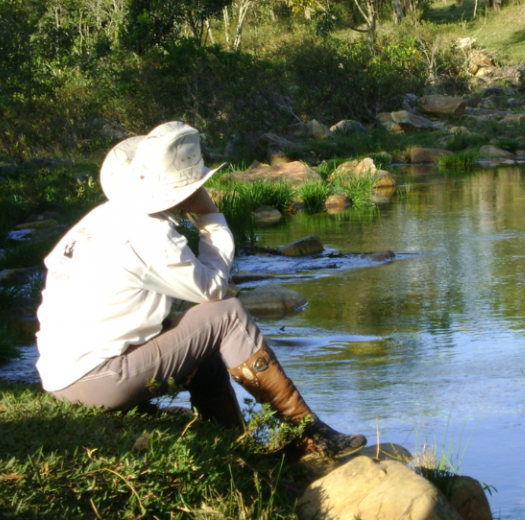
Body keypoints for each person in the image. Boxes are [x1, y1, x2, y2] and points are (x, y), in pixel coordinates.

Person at [35, 121, 366, 458]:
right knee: (227, 317)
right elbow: (213, 292)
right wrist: (209, 216)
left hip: (65, 375)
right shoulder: (148, 234)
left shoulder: (103, 217)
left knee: (204, 342)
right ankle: (306, 432)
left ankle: (232, 444)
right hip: (97, 379)